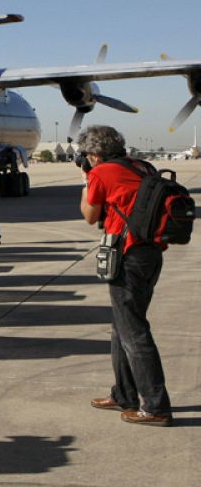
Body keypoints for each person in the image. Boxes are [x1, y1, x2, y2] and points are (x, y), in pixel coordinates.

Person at [77, 125, 172, 426]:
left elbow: (90, 215)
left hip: (127, 256)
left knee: (134, 332)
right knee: (122, 328)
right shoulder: (143, 166)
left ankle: (156, 407)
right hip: (150, 253)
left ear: (94, 155)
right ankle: (124, 394)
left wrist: (86, 183)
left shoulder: (101, 172)